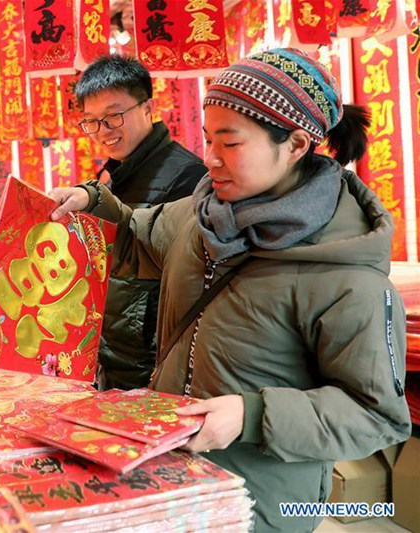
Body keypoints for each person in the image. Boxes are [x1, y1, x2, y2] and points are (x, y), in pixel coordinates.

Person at [50, 48, 411, 532]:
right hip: (174, 478)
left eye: (231, 143)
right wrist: (93, 200)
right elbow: (141, 227)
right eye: (207, 140)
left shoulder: (347, 274)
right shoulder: (200, 217)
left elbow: (376, 415)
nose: (211, 160)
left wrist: (252, 413)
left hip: (261, 504)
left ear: (298, 144)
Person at [75, 55, 206, 391]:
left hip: (153, 360)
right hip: (113, 353)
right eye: (91, 121)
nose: (103, 131)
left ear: (147, 107)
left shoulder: (187, 175)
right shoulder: (110, 176)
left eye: (114, 116)